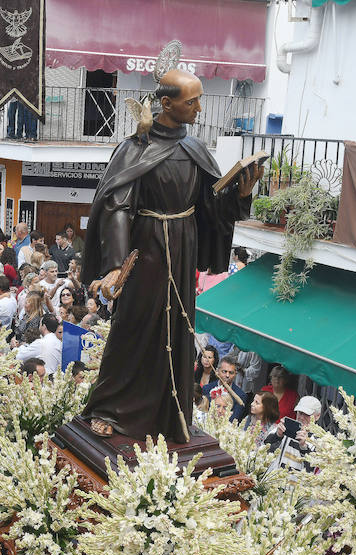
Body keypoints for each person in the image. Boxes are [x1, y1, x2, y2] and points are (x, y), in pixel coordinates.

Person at [80, 69, 262, 441]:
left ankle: (169, 410)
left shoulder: (195, 149)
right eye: (191, 101)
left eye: (199, 99)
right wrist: (116, 266)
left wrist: (240, 196)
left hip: (182, 248)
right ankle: (110, 408)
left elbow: (211, 209)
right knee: (134, 327)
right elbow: (117, 206)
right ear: (166, 103)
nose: (199, 108)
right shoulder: (134, 149)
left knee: (176, 328)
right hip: (146, 249)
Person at [264, 395, 322, 473]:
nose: (301, 417)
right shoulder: (283, 427)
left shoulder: (319, 441)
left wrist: (304, 447)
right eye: (300, 413)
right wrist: (278, 436)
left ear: (317, 416)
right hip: (274, 481)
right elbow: (265, 449)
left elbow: (314, 470)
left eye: (307, 414)